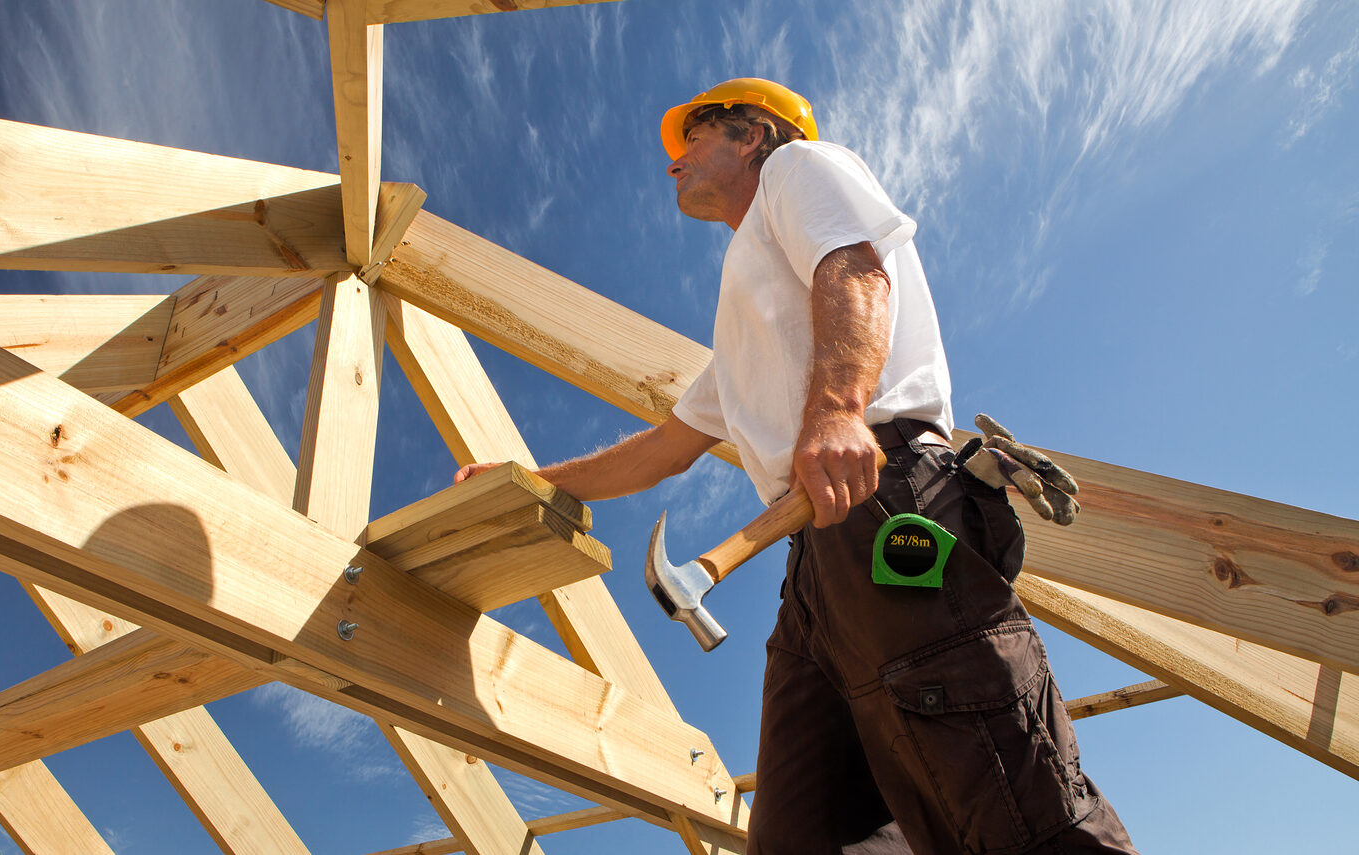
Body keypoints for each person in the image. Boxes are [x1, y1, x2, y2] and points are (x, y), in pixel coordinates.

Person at [456, 78, 1136, 855]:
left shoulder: (798, 169)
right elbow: (661, 451)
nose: (672, 162)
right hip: (814, 570)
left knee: (1012, 804)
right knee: (805, 838)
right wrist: (532, 479)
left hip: (885, 501)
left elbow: (855, 267)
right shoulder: (747, 315)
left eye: (693, 139)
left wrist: (841, 404)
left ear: (752, 134)